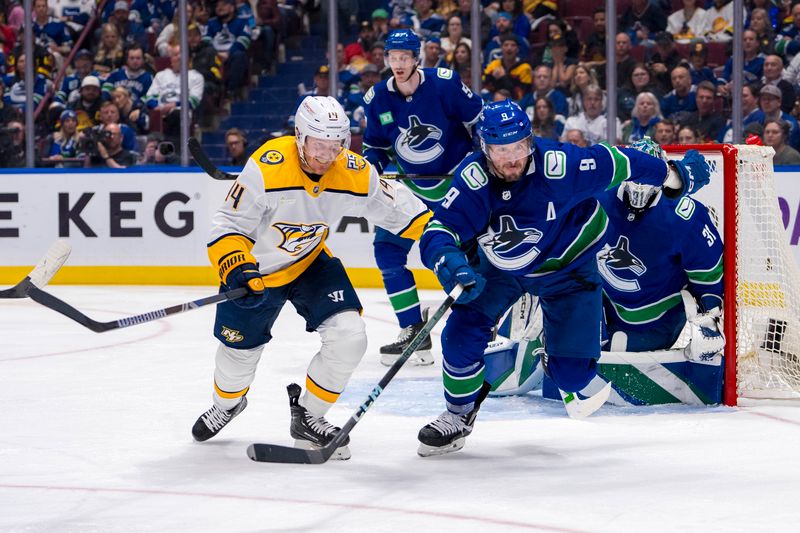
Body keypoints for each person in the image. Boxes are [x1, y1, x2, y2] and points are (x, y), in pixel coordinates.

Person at [415, 99, 710, 456]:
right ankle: (458, 414)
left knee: (571, 377)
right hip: (501, 270)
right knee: (460, 335)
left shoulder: (563, 166)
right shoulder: (473, 179)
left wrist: (673, 175)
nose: (513, 159)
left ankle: (557, 347)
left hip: (567, 270)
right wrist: (446, 259)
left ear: (530, 140)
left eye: (520, 147)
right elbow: (437, 229)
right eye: (501, 150)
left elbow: (624, 161)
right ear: (484, 148)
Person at [190, 95, 430, 460]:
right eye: (318, 145)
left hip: (310, 262)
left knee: (350, 336)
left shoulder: (352, 171)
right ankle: (228, 404)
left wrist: (447, 241)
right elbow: (228, 225)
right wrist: (236, 263)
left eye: (335, 145)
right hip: (255, 270)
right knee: (237, 359)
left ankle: (309, 417)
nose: (326, 155)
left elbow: (401, 209)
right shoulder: (268, 167)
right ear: (300, 136)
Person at [362, 29, 483, 366]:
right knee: (387, 251)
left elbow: (479, 120)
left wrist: (478, 165)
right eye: (392, 58)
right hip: (411, 192)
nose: (398, 64)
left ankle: (479, 328)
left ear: (417, 59)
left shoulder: (445, 84)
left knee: (467, 259)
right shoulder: (377, 99)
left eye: (404, 58)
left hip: (456, 189)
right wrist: (371, 169)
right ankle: (412, 329)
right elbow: (376, 146)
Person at [596, 138, 723, 354]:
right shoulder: (598, 196)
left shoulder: (683, 215)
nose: (640, 187)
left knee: (617, 350)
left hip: (658, 320)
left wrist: (710, 316)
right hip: (603, 304)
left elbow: (709, 274)